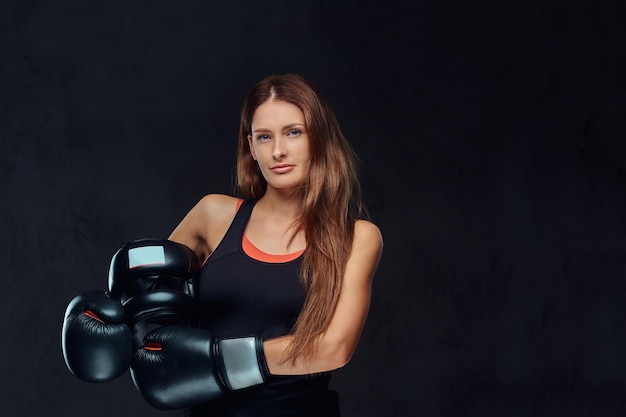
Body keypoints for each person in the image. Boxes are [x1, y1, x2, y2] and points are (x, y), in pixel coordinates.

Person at [62, 73, 383, 416]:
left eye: (293, 132)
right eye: (264, 137)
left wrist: (217, 360)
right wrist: (109, 326)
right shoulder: (212, 215)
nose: (278, 151)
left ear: (317, 139)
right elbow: (144, 301)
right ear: (251, 146)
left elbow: (333, 348)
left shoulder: (356, 237)